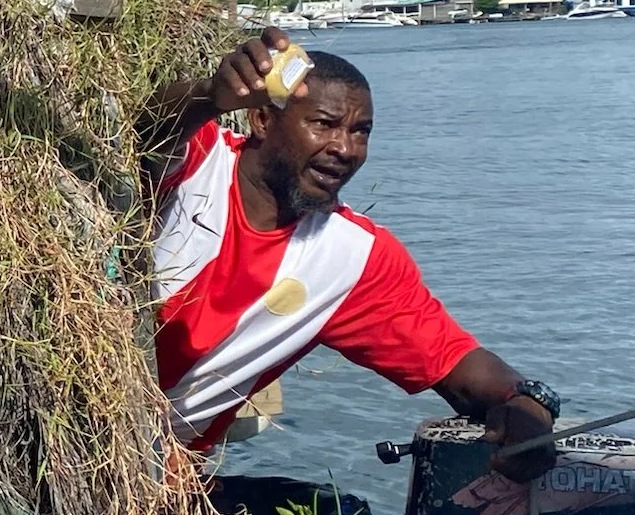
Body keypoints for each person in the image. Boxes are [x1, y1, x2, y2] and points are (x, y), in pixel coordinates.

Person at [148, 27, 558, 481]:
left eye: (360, 132)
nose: (345, 149)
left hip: (156, 478)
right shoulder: (198, 160)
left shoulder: (356, 259)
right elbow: (146, 130)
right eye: (324, 124)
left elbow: (459, 367)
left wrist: (528, 404)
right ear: (263, 119)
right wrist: (210, 96)